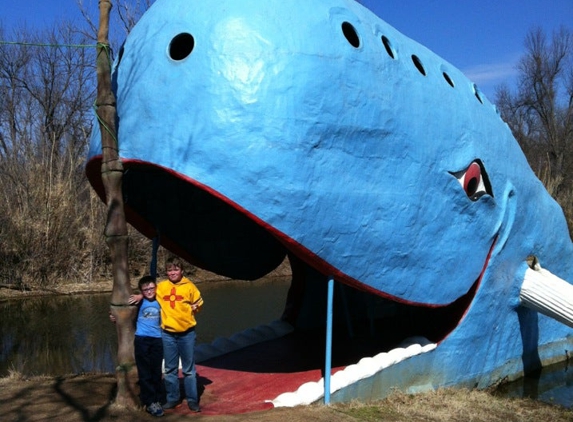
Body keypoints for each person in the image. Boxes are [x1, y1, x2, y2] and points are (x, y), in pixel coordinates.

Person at [155, 256, 204, 412]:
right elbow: (148, 295)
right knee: (170, 369)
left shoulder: (189, 287)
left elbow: (199, 303)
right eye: (170, 270)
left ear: (181, 270)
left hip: (187, 334)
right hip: (168, 334)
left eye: (176, 269)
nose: (173, 272)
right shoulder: (161, 287)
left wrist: (195, 307)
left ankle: (192, 400)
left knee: (189, 370)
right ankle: (173, 398)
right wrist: (138, 297)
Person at [112, 276, 165, 417]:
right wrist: (114, 317)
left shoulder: (161, 300)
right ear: (141, 291)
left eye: (151, 288)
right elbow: (122, 311)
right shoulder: (138, 302)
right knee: (145, 372)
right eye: (145, 290)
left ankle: (158, 398)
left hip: (158, 340)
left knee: (156, 371)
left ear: (156, 288)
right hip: (142, 340)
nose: (149, 291)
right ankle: (149, 402)